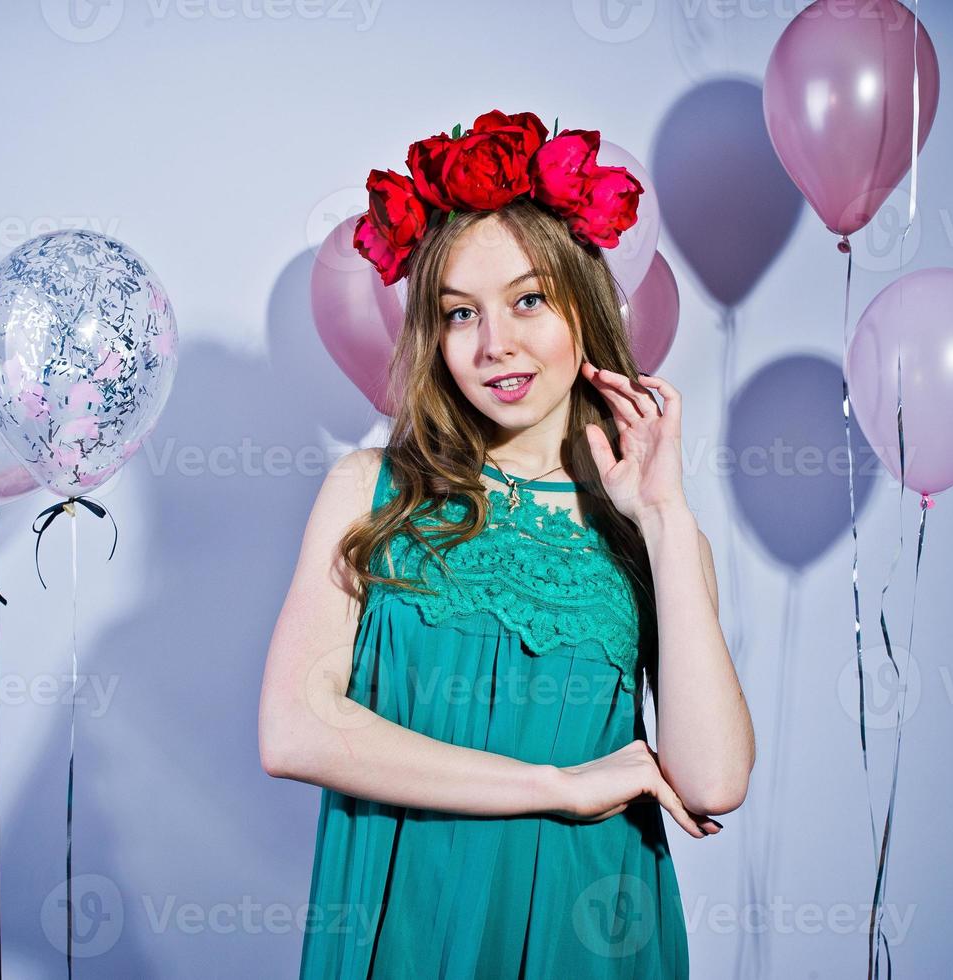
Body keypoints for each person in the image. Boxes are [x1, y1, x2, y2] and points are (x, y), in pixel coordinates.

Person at [259, 110, 754, 978]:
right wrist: (554, 788)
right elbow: (294, 731)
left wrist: (665, 516)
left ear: (583, 308)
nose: (495, 346)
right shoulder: (371, 491)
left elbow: (710, 784)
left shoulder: (657, 537)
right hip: (409, 919)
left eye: (528, 300)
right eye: (459, 314)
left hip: (588, 928)